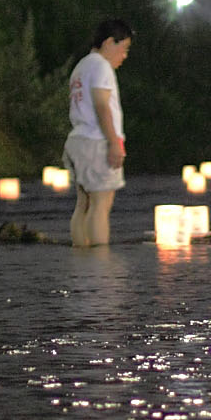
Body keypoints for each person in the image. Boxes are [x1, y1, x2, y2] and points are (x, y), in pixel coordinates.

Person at [63, 18, 133, 248]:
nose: (124, 56)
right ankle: (100, 267)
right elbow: (102, 105)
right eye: (124, 49)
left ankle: (81, 259)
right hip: (96, 141)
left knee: (83, 203)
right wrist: (114, 142)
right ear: (110, 42)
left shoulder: (81, 66)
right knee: (101, 205)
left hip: (77, 140)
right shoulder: (101, 66)